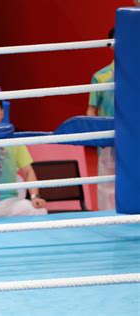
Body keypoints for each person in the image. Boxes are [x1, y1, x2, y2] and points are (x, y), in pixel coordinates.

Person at [87, 27, 115, 210]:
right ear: (111, 45)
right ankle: (108, 224)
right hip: (109, 139)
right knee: (107, 186)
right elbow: (91, 110)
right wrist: (98, 137)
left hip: (135, 136)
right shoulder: (101, 76)